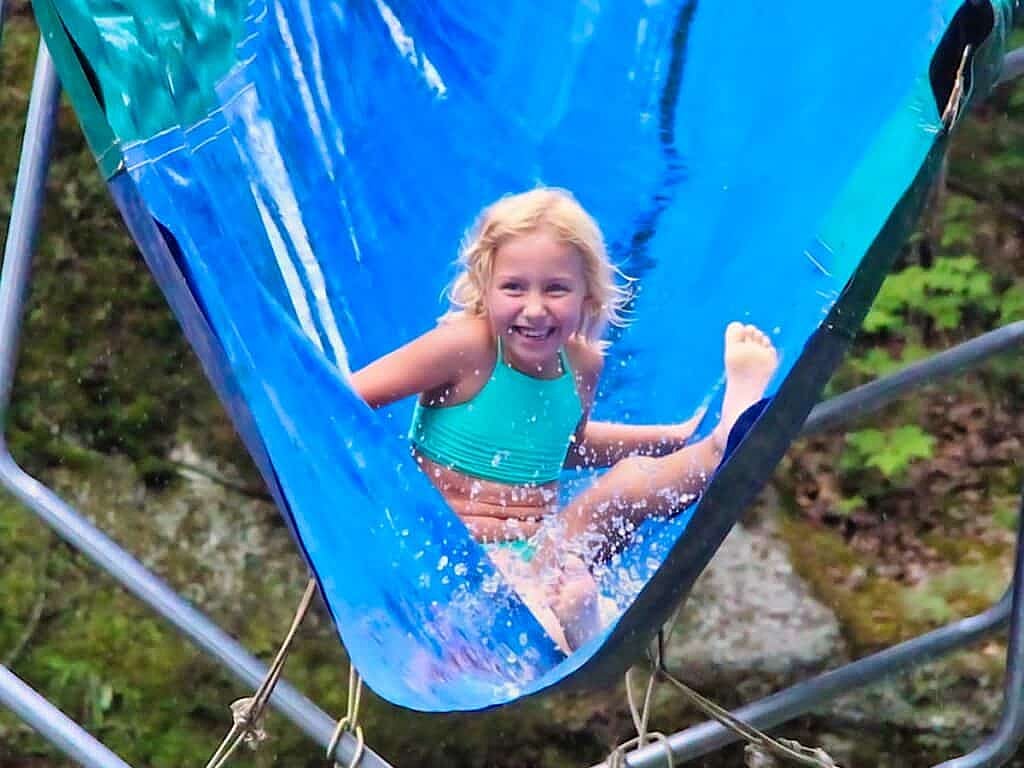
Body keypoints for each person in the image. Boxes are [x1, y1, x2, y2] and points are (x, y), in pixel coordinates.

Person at [351, 187, 778, 651]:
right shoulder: (463, 348)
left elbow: (567, 447)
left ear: (587, 295)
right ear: (484, 286)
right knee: (534, 603)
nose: (535, 309)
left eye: (556, 289)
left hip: (543, 550)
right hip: (455, 557)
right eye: (514, 287)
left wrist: (664, 439)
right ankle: (578, 622)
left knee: (632, 482)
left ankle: (725, 437)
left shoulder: (582, 365)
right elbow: (343, 401)